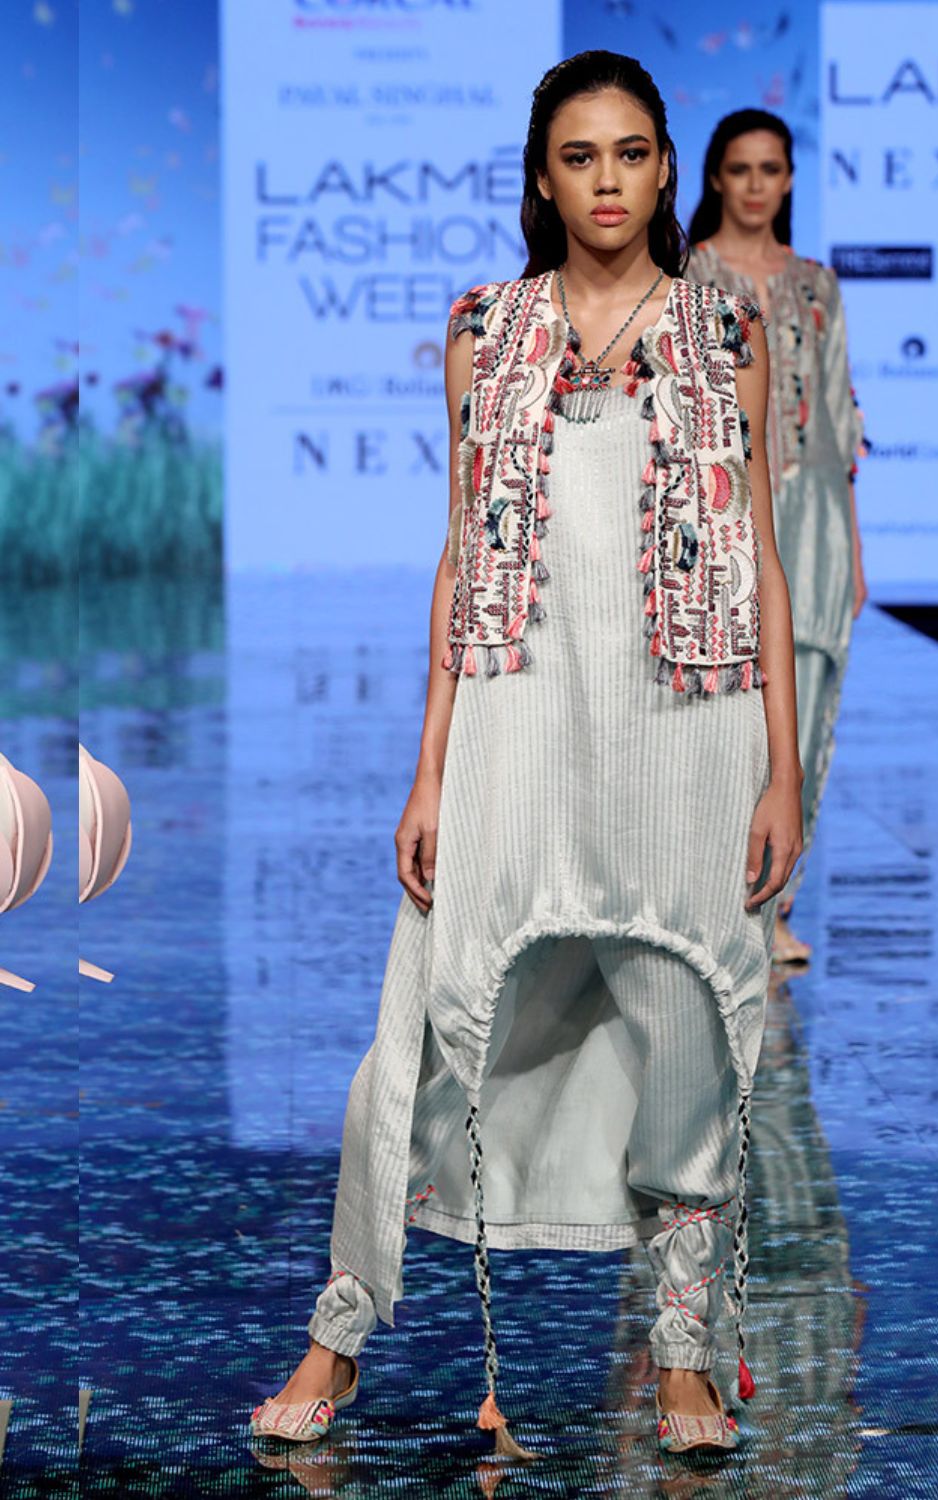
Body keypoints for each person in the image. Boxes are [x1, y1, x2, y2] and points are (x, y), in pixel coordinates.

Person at [248, 51, 805, 1458]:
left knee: (690, 1022)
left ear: (664, 171)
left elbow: (763, 557)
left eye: (632, 153)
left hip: (687, 715)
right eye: (579, 156)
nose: (608, 181)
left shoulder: (727, 328)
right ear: (543, 179)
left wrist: (785, 770)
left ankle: (685, 1350)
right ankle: (339, 1331)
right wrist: (428, 768)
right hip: (516, 707)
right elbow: (459, 554)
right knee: (426, 1020)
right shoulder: (483, 329)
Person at [684, 110, 866, 967]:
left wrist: (855, 549)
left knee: (812, 699)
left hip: (819, 512)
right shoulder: (688, 276)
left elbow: (837, 411)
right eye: (740, 169)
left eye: (771, 169)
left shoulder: (818, 285)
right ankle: (717, 901)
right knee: (728, 705)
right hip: (722, 507)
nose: (756, 185)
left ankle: (775, 903)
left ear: (789, 180)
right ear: (715, 177)